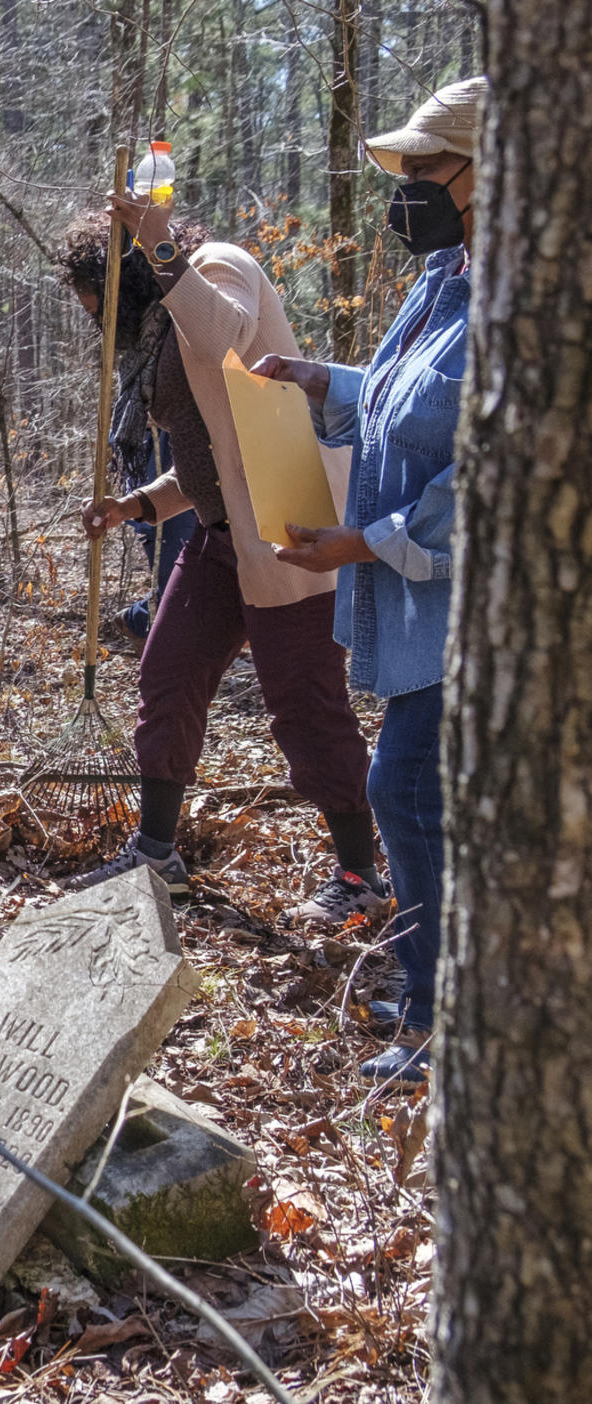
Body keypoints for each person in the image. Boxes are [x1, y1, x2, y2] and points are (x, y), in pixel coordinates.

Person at [59, 196, 385, 928]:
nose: (97, 324)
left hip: (287, 534)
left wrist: (159, 247)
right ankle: (156, 855)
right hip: (218, 536)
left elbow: (228, 337)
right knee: (167, 677)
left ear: (126, 280)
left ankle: (360, 876)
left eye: (97, 306)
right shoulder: (155, 334)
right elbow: (211, 464)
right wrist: (134, 506)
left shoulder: (216, 269)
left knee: (306, 707)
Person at [254, 76, 487, 1085]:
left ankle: (436, 1023)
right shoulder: (444, 278)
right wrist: (322, 382)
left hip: (470, 611)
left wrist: (360, 542)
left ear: (494, 171)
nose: (410, 187)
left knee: (406, 791)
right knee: (429, 798)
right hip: (414, 604)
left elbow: (479, 468)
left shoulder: (525, 300)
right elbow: (401, 401)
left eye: (429, 168)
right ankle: (437, 986)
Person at [119, 430, 197, 641]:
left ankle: (139, 622)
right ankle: (138, 623)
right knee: (178, 590)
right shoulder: (153, 413)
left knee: (194, 589)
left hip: (200, 503)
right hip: (160, 503)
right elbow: (122, 435)